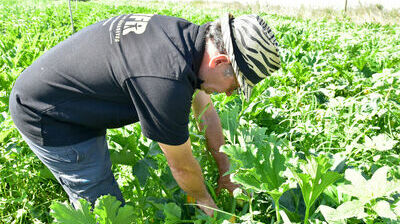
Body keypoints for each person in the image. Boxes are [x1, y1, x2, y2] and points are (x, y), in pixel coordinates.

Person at [9, 13, 280, 216]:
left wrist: (226, 170)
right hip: (48, 114)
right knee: (105, 210)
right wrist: (208, 206)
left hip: (69, 95)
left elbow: (205, 111)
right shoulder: (166, 81)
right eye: (235, 85)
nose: (231, 94)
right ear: (220, 62)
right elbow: (181, 166)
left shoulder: (188, 41)